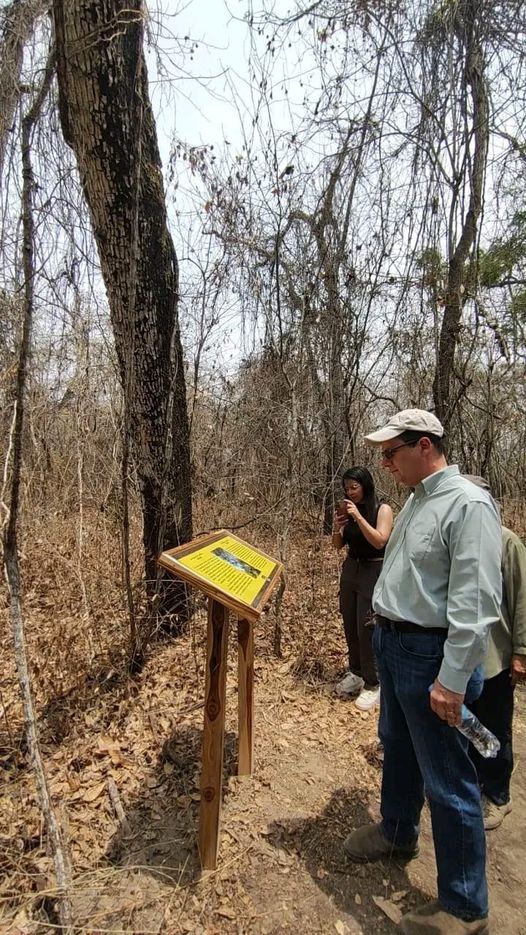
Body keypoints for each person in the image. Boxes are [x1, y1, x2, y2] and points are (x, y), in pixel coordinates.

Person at [342, 409, 502, 935]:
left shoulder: (468, 505)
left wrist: (452, 680)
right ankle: (397, 831)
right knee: (398, 746)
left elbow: (475, 605)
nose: (386, 464)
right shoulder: (416, 500)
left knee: (448, 779)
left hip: (431, 657)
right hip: (393, 646)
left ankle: (464, 907)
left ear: (425, 445)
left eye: (392, 453)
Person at [465, 477, 526, 830]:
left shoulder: (507, 542)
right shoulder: (460, 543)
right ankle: (474, 781)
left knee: (496, 726)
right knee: (469, 724)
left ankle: (498, 795)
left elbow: (522, 600)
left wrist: (521, 652)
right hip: (464, 656)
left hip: (496, 657)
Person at [332, 467, 393, 710]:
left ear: (365, 485)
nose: (350, 492)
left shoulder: (382, 509)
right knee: (350, 623)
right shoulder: (348, 512)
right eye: (346, 488)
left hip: (373, 570)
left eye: (354, 487)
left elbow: (380, 540)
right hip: (351, 569)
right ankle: (356, 673)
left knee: (367, 626)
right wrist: (337, 527)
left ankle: (373, 683)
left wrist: (358, 517)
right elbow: (337, 545)